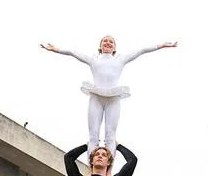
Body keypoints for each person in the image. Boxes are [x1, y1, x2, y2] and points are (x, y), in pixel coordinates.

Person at [41, 37, 177, 155]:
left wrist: (162, 46)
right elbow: (73, 52)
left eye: (111, 41)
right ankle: (92, 168)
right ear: (100, 46)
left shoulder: (120, 59)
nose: (107, 43)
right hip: (96, 97)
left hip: (113, 98)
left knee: (110, 135)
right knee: (93, 135)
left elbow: (141, 50)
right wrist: (56, 49)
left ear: (115, 48)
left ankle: (108, 171)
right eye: (105, 41)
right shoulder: (93, 59)